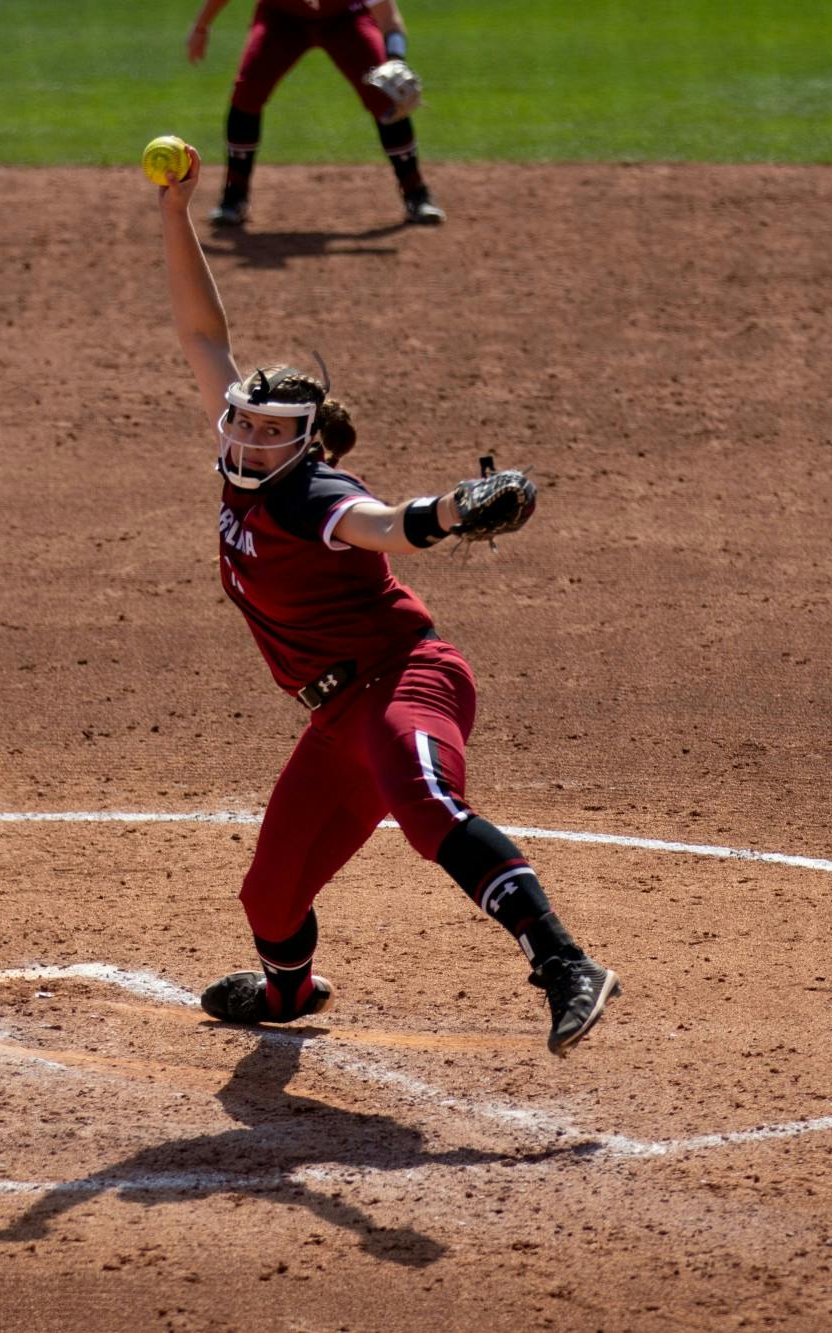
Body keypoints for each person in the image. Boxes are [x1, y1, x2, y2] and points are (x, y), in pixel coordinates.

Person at [154, 146, 622, 1055]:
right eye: (240, 423)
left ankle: (565, 963)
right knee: (270, 894)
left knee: (425, 803)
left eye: (266, 432)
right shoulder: (250, 469)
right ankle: (289, 993)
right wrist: (174, 214)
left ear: (301, 444)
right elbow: (201, 336)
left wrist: (452, 510)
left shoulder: (314, 494)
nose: (247, 439)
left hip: (406, 681)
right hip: (335, 720)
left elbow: (388, 525)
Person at [185, 0, 445, 228]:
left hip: (346, 18)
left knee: (385, 94)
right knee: (247, 91)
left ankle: (416, 194)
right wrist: (200, 26)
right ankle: (234, 198)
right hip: (280, 17)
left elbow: (389, 18)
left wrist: (396, 59)